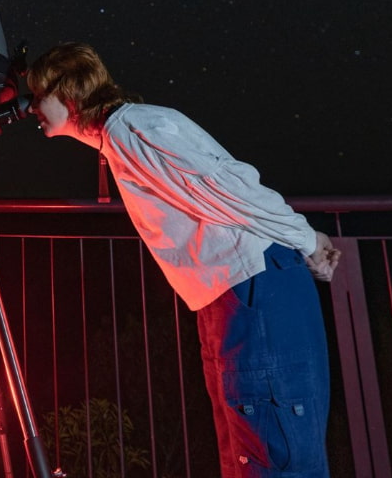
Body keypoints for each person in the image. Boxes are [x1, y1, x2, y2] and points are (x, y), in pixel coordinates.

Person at [28, 41, 340, 478]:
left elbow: (231, 189)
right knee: (250, 456)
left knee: (277, 458)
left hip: (254, 289)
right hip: (233, 295)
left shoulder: (132, 129)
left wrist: (308, 240)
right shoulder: (122, 136)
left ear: (68, 91)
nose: (29, 108)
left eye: (36, 94)